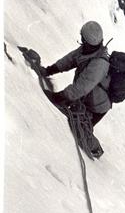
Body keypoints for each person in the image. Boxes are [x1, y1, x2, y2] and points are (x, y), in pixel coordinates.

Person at [41, 21, 111, 156]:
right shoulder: (87, 50)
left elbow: (80, 88)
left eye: (83, 38)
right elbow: (70, 60)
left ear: (87, 41)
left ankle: (95, 149)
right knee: (74, 121)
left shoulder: (99, 64)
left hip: (97, 106)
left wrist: (58, 97)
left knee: (81, 131)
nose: (81, 41)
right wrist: (50, 70)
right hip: (87, 98)